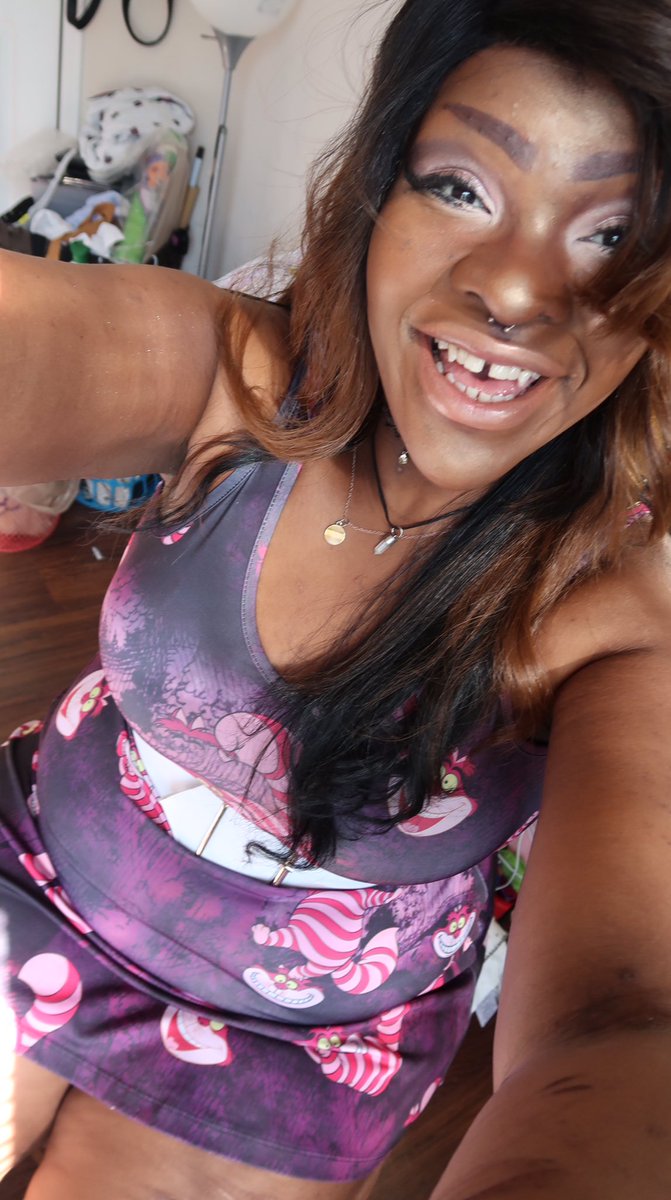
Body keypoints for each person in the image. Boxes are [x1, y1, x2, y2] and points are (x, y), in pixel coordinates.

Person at [2, 0, 671, 1195]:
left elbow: (617, 1026)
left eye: (612, 233)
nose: (513, 290)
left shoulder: (624, 596)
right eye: (459, 186)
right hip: (39, 866)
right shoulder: (242, 379)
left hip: (301, 1048)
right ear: (377, 189)